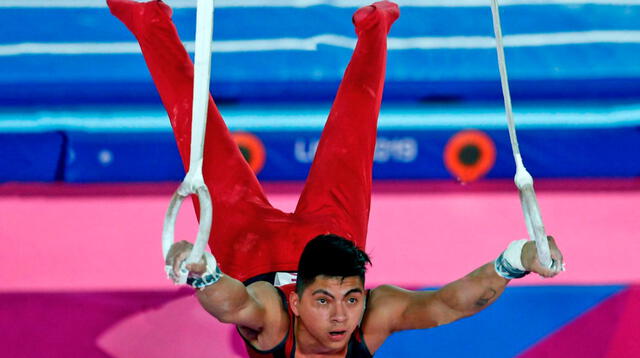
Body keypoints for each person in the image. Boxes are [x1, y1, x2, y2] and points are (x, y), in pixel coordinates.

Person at [107, 1, 564, 357]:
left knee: (201, 137)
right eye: (339, 300)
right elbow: (448, 304)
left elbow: (233, 305)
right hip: (332, 239)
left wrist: (204, 273)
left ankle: (152, 24)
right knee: (355, 132)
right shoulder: (369, 320)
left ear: (296, 304)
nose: (342, 316)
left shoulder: (273, 322)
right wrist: (515, 259)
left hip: (248, 249)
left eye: (334, 302)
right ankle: (375, 29)